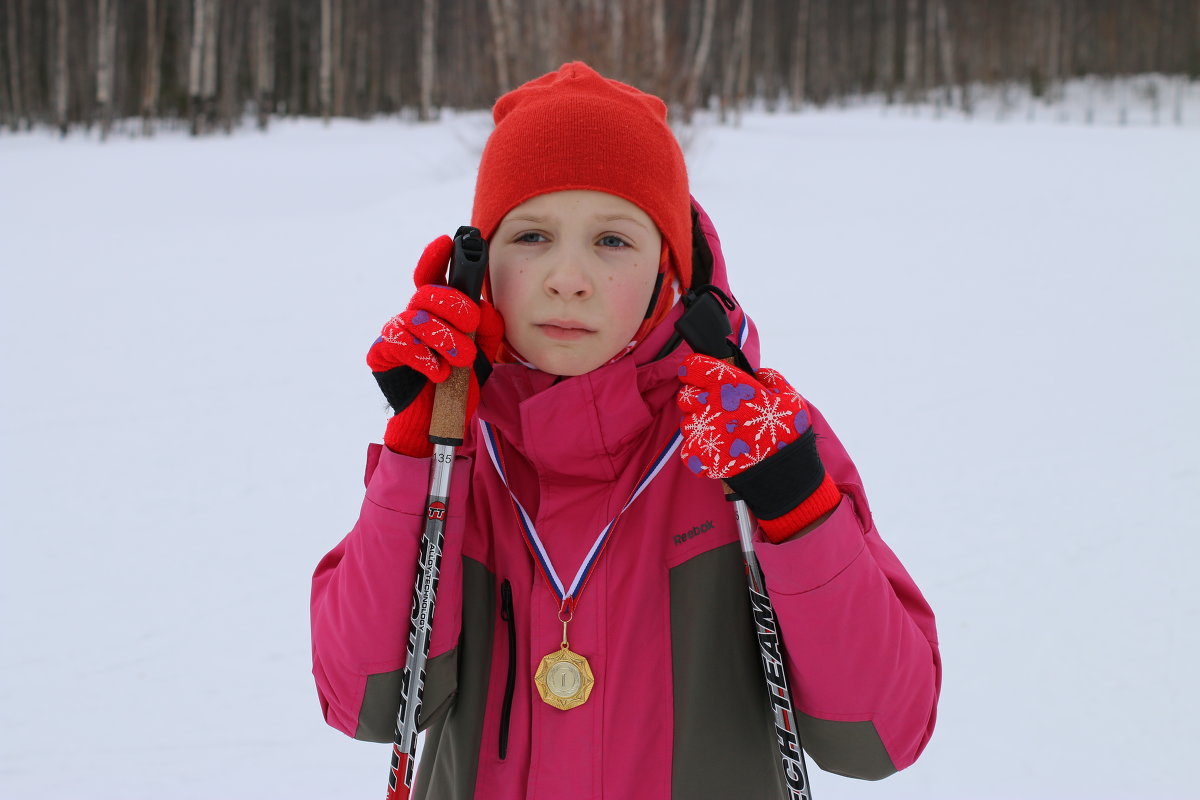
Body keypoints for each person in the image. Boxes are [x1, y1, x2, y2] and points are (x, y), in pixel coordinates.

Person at [311, 62, 940, 800]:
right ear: (477, 267)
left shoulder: (749, 439)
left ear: (667, 271)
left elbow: (879, 734)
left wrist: (798, 508)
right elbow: (369, 699)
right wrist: (416, 456)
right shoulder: (457, 454)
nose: (567, 277)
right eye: (533, 235)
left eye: (612, 241)